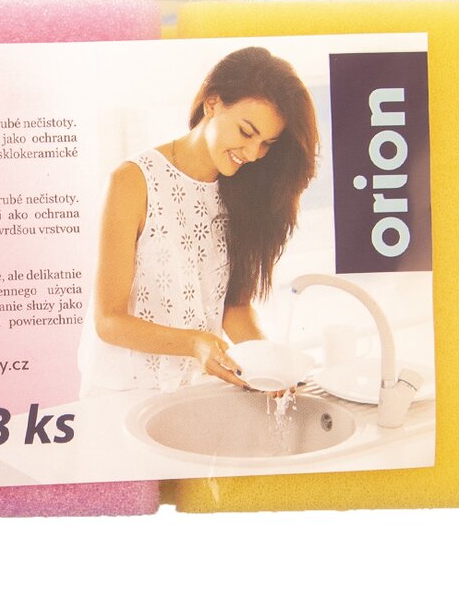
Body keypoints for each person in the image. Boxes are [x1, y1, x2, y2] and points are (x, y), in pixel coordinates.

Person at [78, 46, 319, 396]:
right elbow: (109, 321)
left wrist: (272, 366)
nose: (253, 154)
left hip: (192, 389)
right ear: (212, 102)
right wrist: (194, 343)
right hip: (118, 392)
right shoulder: (132, 181)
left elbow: (234, 307)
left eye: (267, 143)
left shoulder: (244, 191)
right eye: (246, 132)